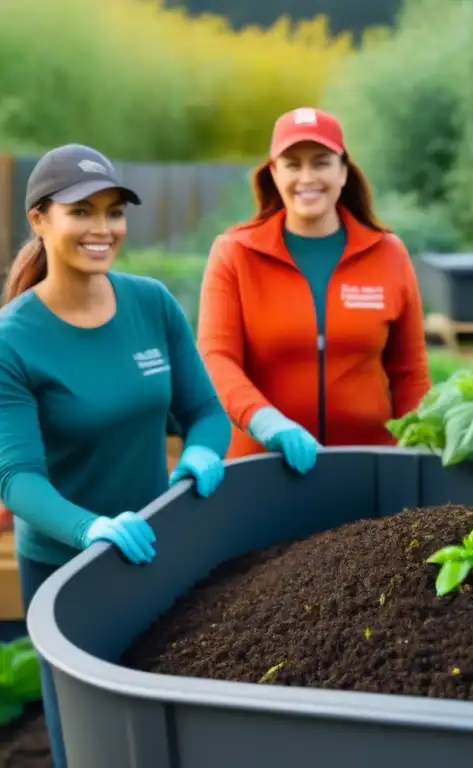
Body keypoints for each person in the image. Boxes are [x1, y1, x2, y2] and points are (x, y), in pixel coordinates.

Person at [0, 144, 232, 767]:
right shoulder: (13, 340)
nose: (103, 229)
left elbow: (205, 413)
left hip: (156, 546)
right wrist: (90, 528)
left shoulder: (150, 303)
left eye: (113, 212)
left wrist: (203, 456)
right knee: (86, 740)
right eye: (82, 212)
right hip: (63, 568)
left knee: (159, 722)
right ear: (41, 220)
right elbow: (17, 479)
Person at [197, 107, 431, 473]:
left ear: (342, 170)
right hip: (262, 468)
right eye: (292, 164)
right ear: (274, 173)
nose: (307, 177)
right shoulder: (236, 254)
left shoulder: (387, 253)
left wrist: (419, 455)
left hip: (368, 468)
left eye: (321, 162)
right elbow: (215, 359)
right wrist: (265, 422)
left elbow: (410, 372)